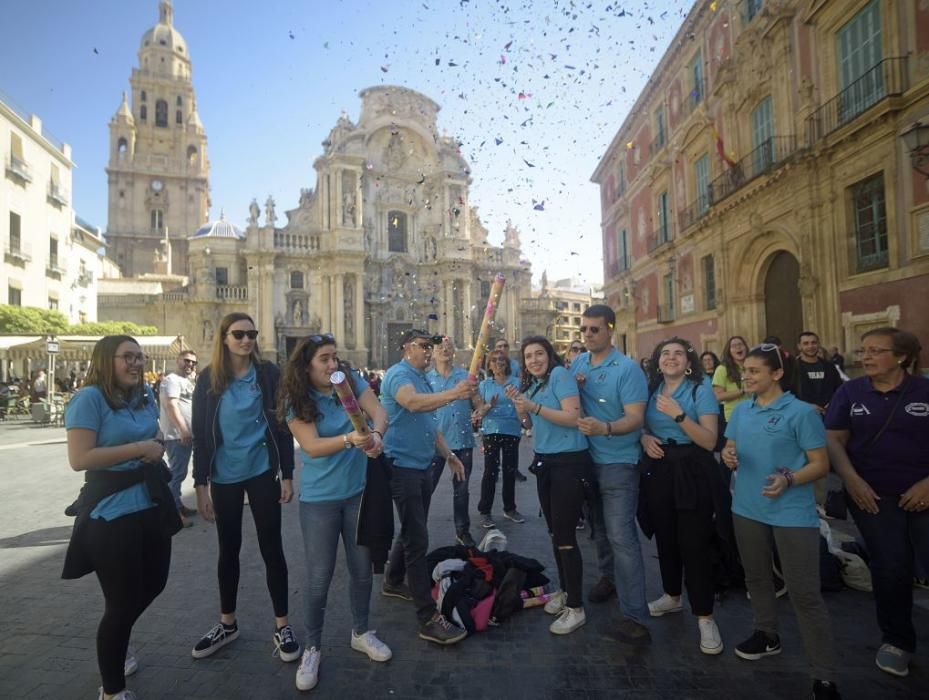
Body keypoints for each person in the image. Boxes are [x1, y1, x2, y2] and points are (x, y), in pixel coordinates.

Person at [61, 335, 181, 700]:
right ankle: (112, 689)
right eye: (127, 357)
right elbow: (79, 458)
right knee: (121, 603)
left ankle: (117, 639)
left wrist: (156, 443)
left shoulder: (143, 397)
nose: (136, 363)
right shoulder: (89, 399)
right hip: (111, 514)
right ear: (105, 360)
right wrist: (139, 449)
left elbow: (156, 433)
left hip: (150, 505)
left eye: (140, 358)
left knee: (155, 583)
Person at [722, 344, 840, 700]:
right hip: (746, 507)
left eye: (755, 371)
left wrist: (790, 479)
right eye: (745, 370)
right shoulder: (741, 411)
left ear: (776, 374)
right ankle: (766, 634)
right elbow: (731, 448)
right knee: (757, 578)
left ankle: (824, 674)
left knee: (804, 593)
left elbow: (820, 464)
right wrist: (729, 456)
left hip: (791, 513)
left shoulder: (802, 413)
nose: (747, 376)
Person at [279, 333, 392, 691]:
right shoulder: (295, 399)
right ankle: (312, 646)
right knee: (319, 576)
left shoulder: (350, 379)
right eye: (325, 360)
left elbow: (379, 411)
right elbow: (311, 446)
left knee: (361, 570)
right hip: (320, 500)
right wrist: (350, 440)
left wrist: (376, 435)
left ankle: (361, 631)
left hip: (357, 494)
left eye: (335, 357)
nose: (333, 365)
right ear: (306, 366)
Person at [190, 313, 298, 662]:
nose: (246, 340)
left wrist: (287, 472)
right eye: (239, 334)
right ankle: (227, 623)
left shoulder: (268, 375)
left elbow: (281, 426)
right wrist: (200, 484)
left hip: (261, 471)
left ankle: (282, 625)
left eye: (252, 333)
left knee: (272, 548)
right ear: (224, 338)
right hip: (224, 477)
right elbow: (202, 438)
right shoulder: (208, 379)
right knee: (228, 550)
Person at [825, 327, 928, 678]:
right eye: (863, 350)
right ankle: (897, 640)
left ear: (901, 357)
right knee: (891, 565)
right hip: (871, 496)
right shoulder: (850, 392)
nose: (864, 357)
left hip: (925, 493)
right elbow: (835, 440)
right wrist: (852, 481)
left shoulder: (925, 391)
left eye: (874, 351)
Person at [380, 329, 472, 645]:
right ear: (407, 348)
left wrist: (448, 456)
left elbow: (429, 426)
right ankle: (427, 617)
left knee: (410, 529)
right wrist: (454, 394)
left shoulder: (423, 378)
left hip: (421, 465)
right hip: (401, 466)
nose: (429, 352)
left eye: (431, 347)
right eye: (423, 346)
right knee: (418, 538)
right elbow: (413, 404)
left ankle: (393, 580)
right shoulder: (398, 375)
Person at [639, 338, 724, 655]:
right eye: (665, 354)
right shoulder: (651, 390)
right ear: (657, 362)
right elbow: (641, 425)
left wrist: (678, 416)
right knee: (666, 537)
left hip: (693, 470)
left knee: (694, 543)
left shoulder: (700, 390)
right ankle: (672, 595)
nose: (671, 358)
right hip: (660, 469)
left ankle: (705, 617)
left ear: (689, 362)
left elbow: (709, 440)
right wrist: (645, 438)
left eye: (678, 353)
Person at [570, 305, 650, 641]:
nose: (588, 335)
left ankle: (634, 615)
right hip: (586, 462)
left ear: (610, 331)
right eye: (584, 329)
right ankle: (609, 577)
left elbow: (635, 417)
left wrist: (604, 427)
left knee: (621, 537)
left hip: (619, 462)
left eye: (595, 330)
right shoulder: (578, 364)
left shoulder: (628, 369)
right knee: (599, 531)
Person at [508, 335, 591, 635]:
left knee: (566, 536)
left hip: (569, 463)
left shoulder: (559, 375)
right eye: (528, 356)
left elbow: (573, 417)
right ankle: (567, 592)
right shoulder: (535, 385)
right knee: (555, 532)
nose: (534, 360)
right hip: (545, 463)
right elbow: (531, 426)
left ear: (549, 355)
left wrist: (534, 407)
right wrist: (522, 411)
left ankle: (577, 607)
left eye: (539, 354)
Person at [426, 336, 481, 547]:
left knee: (462, 490)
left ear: (454, 352)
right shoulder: (426, 379)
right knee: (427, 488)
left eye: (449, 346)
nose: (445, 349)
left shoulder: (466, 377)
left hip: (462, 441)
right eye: (440, 347)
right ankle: (415, 528)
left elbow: (478, 404)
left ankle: (462, 530)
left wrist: (481, 410)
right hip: (436, 443)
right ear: (433, 352)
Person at [475, 349, 525, 529]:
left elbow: (522, 405)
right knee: (490, 471)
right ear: (489, 365)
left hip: (512, 429)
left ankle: (510, 508)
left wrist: (517, 400)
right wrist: (490, 405)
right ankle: (485, 511)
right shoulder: (485, 385)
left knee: (510, 470)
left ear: (507, 364)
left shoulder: (516, 383)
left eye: (502, 360)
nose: (498, 363)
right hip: (491, 431)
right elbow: (479, 412)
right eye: (494, 360)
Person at [159, 349, 198, 527]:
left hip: (186, 434)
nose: (190, 364)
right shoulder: (171, 380)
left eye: (193, 362)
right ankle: (172, 513)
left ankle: (177, 504)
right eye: (186, 361)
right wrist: (182, 429)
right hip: (177, 435)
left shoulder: (187, 381)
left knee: (180, 473)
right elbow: (171, 405)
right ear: (178, 360)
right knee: (176, 474)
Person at [494, 337, 528, 481]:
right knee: (494, 447)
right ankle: (494, 471)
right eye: (499, 346)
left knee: (513, 446)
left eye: (505, 345)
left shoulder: (515, 364)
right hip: (496, 409)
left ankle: (514, 469)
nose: (502, 348)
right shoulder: (494, 362)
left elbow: (521, 383)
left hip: (512, 409)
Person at [794, 332, 843, 416]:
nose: (810, 346)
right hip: (803, 415)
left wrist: (832, 404)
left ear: (818, 344)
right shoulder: (793, 368)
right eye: (806, 343)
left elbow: (839, 389)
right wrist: (806, 406)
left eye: (814, 343)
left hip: (828, 415)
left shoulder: (829, 367)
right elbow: (786, 394)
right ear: (799, 346)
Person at [712, 335, 750, 434]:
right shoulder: (722, 369)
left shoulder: (752, 366)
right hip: (735, 417)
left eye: (740, 344)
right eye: (734, 346)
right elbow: (718, 396)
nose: (738, 347)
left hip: (756, 413)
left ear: (746, 347)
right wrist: (742, 391)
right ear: (729, 351)